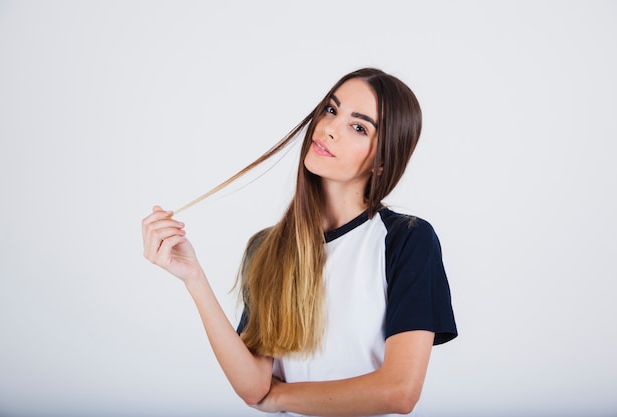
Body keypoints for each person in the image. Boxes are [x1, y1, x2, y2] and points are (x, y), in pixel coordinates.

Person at [142, 67, 457, 416]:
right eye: (331, 110)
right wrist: (194, 278)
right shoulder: (265, 248)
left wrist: (280, 398)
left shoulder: (407, 240)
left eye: (358, 127)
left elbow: (399, 392)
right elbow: (253, 386)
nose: (330, 129)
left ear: (382, 162)